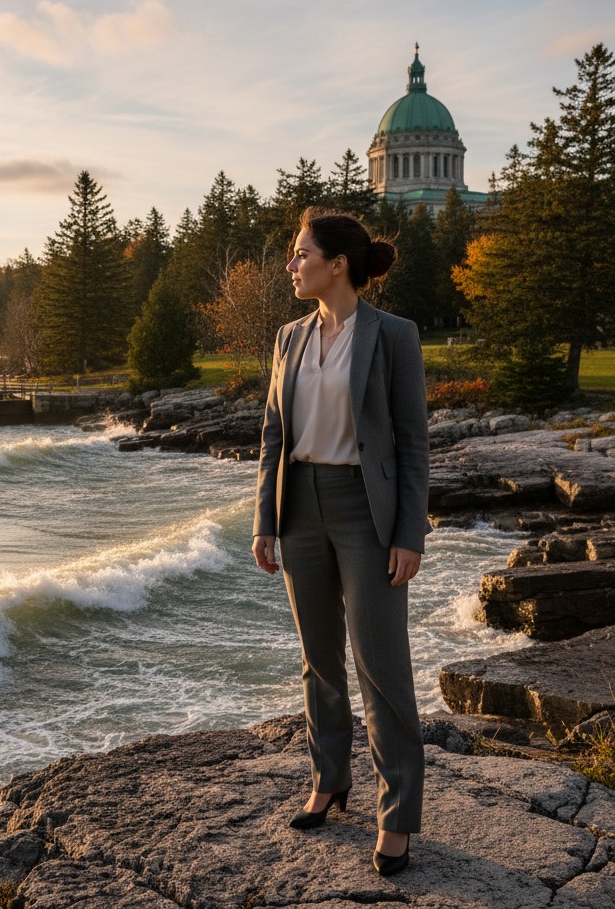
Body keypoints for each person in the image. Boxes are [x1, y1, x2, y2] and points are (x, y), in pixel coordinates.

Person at [251, 207, 430, 877]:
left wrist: (409, 533)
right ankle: (330, 779)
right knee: (318, 660)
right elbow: (274, 436)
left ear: (338, 265)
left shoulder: (393, 336)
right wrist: (265, 521)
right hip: (299, 510)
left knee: (382, 667)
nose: (292, 265)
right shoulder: (288, 337)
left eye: (301, 254)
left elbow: (413, 443)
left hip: (366, 512)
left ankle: (398, 815)